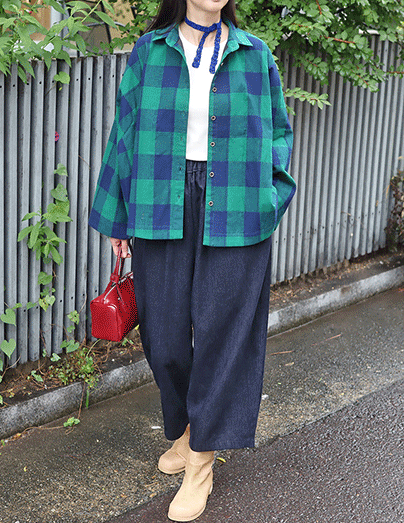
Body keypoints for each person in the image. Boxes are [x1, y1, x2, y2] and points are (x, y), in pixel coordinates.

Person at [89, 0, 296, 520]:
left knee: (224, 334)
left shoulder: (255, 54)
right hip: (162, 198)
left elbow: (278, 133)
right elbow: (124, 134)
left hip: (237, 204)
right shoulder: (150, 51)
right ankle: (186, 428)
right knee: (164, 339)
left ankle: (201, 460)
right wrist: (116, 217)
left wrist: (270, 199)